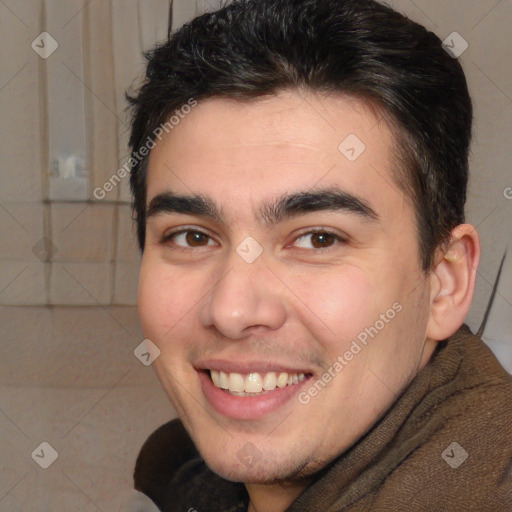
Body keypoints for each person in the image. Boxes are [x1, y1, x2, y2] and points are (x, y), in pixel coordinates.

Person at [124, 0, 512, 510]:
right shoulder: (173, 470)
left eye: (318, 239)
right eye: (193, 237)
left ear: (445, 283)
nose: (232, 311)